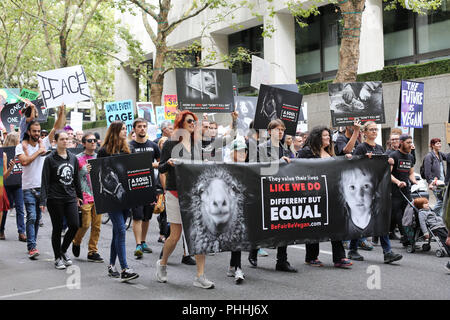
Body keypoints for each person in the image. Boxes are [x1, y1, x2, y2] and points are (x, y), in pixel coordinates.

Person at [156, 110, 214, 289]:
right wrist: (170, 163)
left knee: (199, 234)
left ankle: (200, 276)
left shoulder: (197, 143)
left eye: (194, 122)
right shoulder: (170, 143)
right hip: (174, 193)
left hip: (195, 194)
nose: (193, 124)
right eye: (190, 121)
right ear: (181, 123)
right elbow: (161, 169)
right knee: (175, 235)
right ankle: (162, 263)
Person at [346, 121, 403, 264]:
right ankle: (353, 249)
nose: (374, 132)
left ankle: (387, 252)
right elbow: (355, 166)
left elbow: (384, 171)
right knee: (363, 219)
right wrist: (366, 160)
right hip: (364, 189)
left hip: (378, 188)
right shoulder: (361, 147)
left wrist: (389, 163)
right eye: (371, 130)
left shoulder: (379, 148)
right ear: (364, 132)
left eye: (376, 129)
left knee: (381, 219)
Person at [298, 126, 353, 268]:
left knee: (336, 224)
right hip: (314, 194)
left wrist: (344, 159)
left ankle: (340, 257)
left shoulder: (330, 152)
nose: (328, 138)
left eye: (329, 135)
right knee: (314, 225)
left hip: (332, 194)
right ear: (317, 138)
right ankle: (311, 256)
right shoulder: (306, 152)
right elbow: (299, 170)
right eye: (325, 136)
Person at [16, 105, 65, 259]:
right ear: (28, 132)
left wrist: (61, 111)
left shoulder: (44, 142)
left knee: (37, 218)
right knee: (31, 216)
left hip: (43, 188)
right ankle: (32, 247)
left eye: (39, 131)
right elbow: (24, 162)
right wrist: (38, 152)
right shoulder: (20, 146)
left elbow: (57, 128)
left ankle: (33, 243)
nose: (37, 134)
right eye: (34, 131)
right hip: (28, 188)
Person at [98, 121, 139, 282]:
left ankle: (111, 265)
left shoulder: (128, 149)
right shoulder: (103, 151)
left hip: (125, 197)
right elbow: (100, 174)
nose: (125, 131)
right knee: (121, 230)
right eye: (122, 129)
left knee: (117, 231)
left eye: (125, 129)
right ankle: (124, 268)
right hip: (111, 198)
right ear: (114, 131)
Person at [255, 119, 297, 273]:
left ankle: (282, 260)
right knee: (262, 226)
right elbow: (259, 168)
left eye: (282, 129)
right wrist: (278, 162)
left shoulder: (284, 148)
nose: (280, 132)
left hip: (281, 192)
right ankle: (254, 251)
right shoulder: (261, 148)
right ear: (269, 131)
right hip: (265, 192)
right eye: (277, 129)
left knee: (284, 226)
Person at [40, 130, 83, 269]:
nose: (65, 141)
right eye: (62, 139)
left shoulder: (73, 158)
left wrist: (79, 196)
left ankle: (63, 250)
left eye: (67, 139)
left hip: (70, 197)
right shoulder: (50, 159)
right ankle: (57, 258)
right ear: (56, 142)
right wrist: (43, 200)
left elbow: (76, 178)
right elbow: (45, 181)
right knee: (57, 228)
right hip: (55, 198)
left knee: (75, 225)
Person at [128, 118, 160, 259]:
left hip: (150, 185)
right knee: (137, 216)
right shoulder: (128, 146)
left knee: (147, 216)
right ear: (134, 129)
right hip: (135, 186)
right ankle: (137, 245)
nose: (142, 129)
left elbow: (161, 164)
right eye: (139, 126)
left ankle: (143, 241)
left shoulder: (153, 146)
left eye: (144, 126)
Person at [71, 132, 104, 263]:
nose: (93, 143)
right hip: (84, 196)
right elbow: (72, 178)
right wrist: (83, 171)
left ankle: (93, 251)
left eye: (95, 140)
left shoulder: (99, 157)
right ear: (83, 143)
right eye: (90, 141)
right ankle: (76, 241)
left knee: (97, 226)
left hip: (98, 195)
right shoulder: (77, 158)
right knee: (85, 224)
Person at [226, 138, 248, 284]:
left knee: (239, 237)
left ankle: (232, 265)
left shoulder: (249, 167)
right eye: (238, 151)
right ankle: (238, 269)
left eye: (243, 151)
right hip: (230, 208)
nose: (241, 154)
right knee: (237, 235)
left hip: (245, 206)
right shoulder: (226, 167)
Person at [390, 134, 418, 245]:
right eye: (408, 142)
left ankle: (407, 236)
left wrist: (414, 181)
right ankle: (405, 237)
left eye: (411, 142)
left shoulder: (410, 157)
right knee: (398, 214)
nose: (410, 145)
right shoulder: (393, 156)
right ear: (401, 142)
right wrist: (397, 182)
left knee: (409, 213)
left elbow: (410, 173)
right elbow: (388, 173)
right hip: (395, 190)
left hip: (406, 190)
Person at [1, 132, 26, 242]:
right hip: (6, 184)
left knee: (20, 208)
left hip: (18, 184)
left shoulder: (21, 152)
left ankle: (21, 232)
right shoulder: (3, 153)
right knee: (5, 208)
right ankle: (1, 230)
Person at [423, 138, 446, 217]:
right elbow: (427, 171)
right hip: (435, 182)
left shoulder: (440, 154)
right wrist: (430, 182)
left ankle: (438, 219)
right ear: (433, 145)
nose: (440, 145)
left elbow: (448, 157)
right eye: (437, 143)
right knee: (442, 201)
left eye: (440, 143)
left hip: (442, 182)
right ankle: (430, 215)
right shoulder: (429, 156)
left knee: (441, 200)